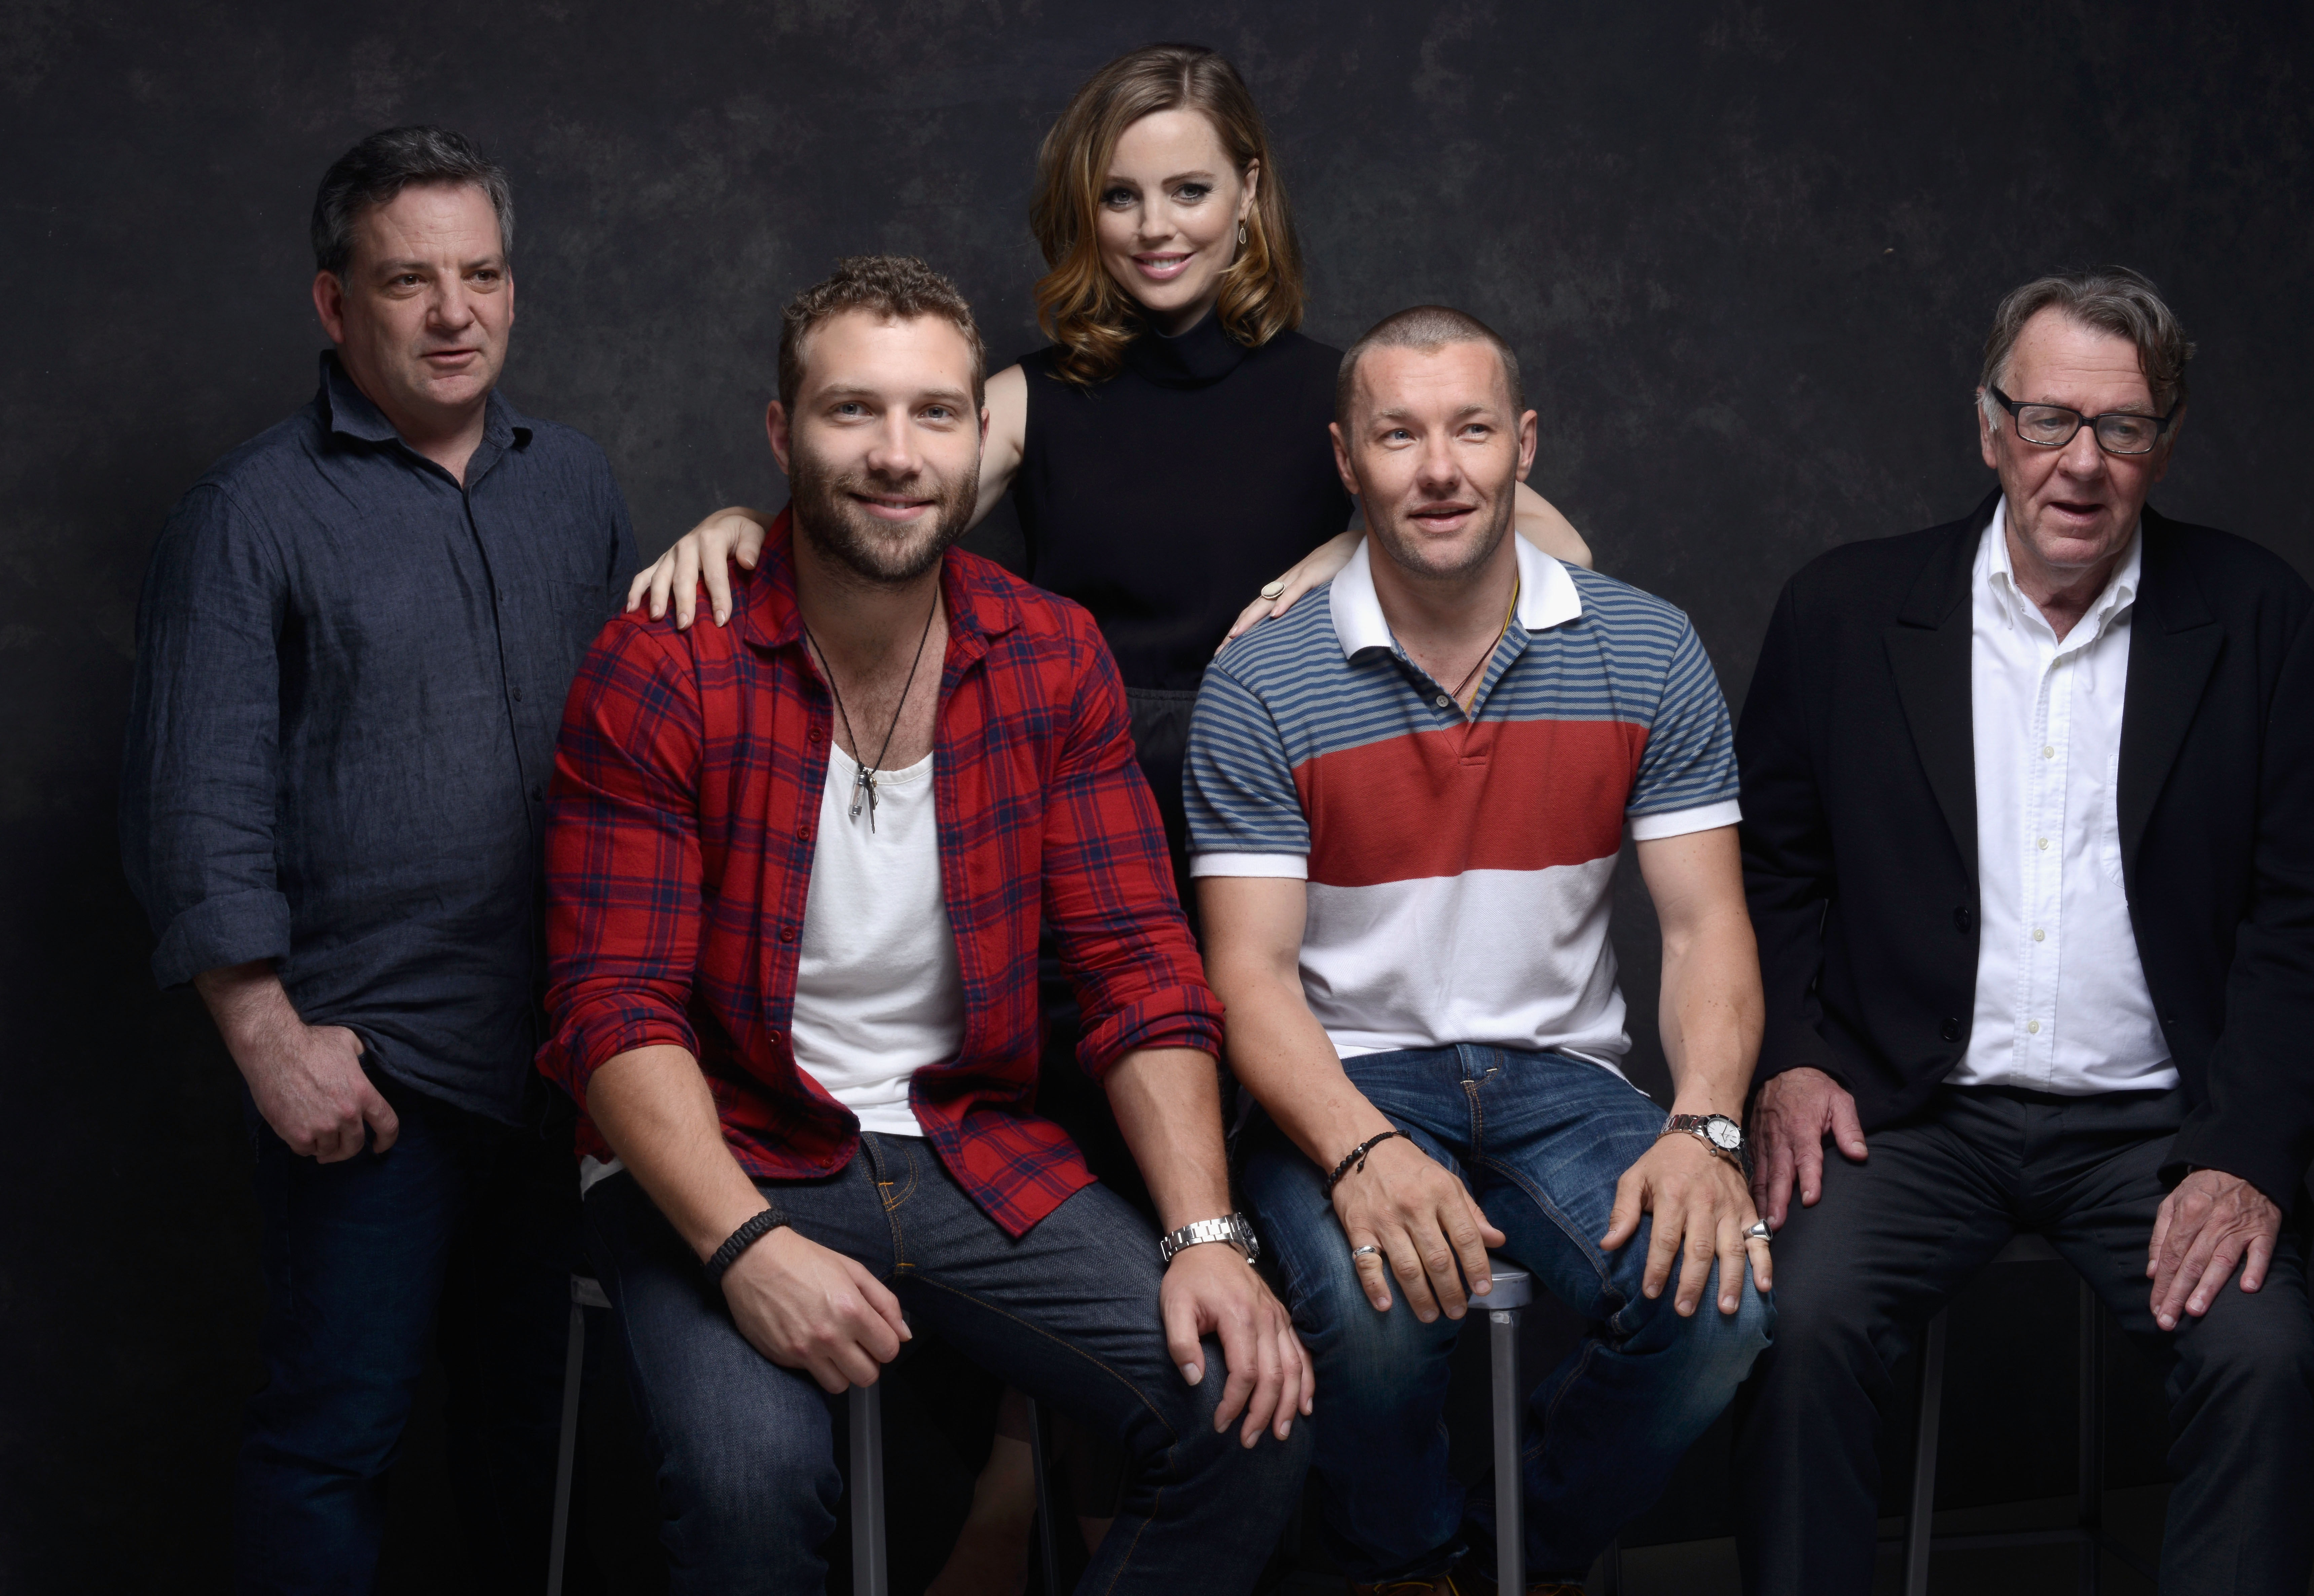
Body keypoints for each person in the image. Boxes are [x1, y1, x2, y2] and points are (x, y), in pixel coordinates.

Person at [632, 45, 1594, 1583]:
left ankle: (1244, 1503)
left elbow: (1549, 540)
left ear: (1249, 197)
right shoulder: (1031, 396)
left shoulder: (1332, 396)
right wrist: (729, 524)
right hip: (1072, 811)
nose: (1155, 228)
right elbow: (880, 497)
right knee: (1054, 1096)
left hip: (1256, 823)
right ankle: (1025, 1480)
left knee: (1217, 1119)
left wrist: (1340, 558)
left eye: (1188, 191)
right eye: (1121, 197)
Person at [539, 254, 1312, 1594]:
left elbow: (1138, 968)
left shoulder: (1048, 654)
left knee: (1247, 1405)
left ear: (977, 436)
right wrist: (743, 1243)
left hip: (965, 1145)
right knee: (753, 1488)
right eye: (853, 410)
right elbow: (613, 1007)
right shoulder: (662, 663)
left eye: (934, 414)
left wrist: (1204, 1237)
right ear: (781, 432)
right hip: (723, 1151)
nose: (896, 454)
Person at [1730, 267, 2314, 1596]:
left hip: (2160, 1133)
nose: (2080, 461)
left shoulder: (2260, 620)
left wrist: (2244, 1154)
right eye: (2048, 418)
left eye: (2120, 426)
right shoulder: (1844, 612)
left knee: (2264, 1366)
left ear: (2163, 445)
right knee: (1795, 1328)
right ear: (1988, 427)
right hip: (1909, 1120)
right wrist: (1792, 1055)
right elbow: (1771, 872)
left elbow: (2312, 923)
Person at [118, 127, 634, 1592]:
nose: (455, 312)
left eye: (482, 274)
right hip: (372, 1075)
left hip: (566, 1066)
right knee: (333, 1439)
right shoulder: (248, 515)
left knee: (541, 1433)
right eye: (410, 280)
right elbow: (191, 799)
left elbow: (651, 750)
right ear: (335, 303)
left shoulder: (576, 484)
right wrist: (268, 1039)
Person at [1189, 305, 1775, 1595]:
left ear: (1525, 445)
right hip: (1346, 1076)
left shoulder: (1647, 646)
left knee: (1717, 1305)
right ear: (1348, 460)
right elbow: (1247, 977)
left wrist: (1706, 1124)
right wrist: (1359, 1150)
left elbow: (1704, 926)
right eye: (1399, 435)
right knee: (1375, 1324)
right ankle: (1403, 1567)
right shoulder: (1262, 681)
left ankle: (1510, 1556)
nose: (1440, 469)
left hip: (1564, 1079)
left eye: (1471, 430)